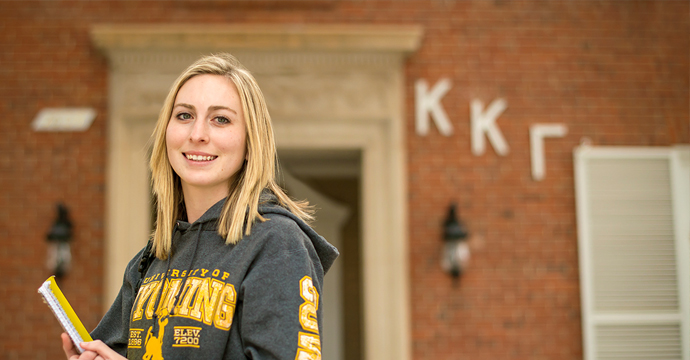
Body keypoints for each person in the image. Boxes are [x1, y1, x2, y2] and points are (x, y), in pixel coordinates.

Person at [62, 53, 338, 360]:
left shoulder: (278, 244)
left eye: (221, 119)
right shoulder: (150, 260)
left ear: (251, 143)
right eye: (184, 116)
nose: (197, 135)